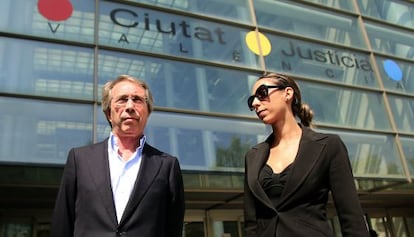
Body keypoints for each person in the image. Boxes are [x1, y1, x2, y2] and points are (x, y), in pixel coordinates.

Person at [51, 75, 185, 237]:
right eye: (122, 99)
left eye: (137, 100)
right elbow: (62, 222)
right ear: (108, 113)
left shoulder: (167, 166)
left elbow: (173, 228)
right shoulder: (79, 159)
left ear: (148, 112)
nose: (130, 106)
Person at [243, 72, 369, 237]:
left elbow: (352, 219)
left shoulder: (329, 146)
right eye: (252, 100)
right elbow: (251, 224)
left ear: (288, 93)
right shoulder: (253, 156)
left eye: (262, 93)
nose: (256, 103)